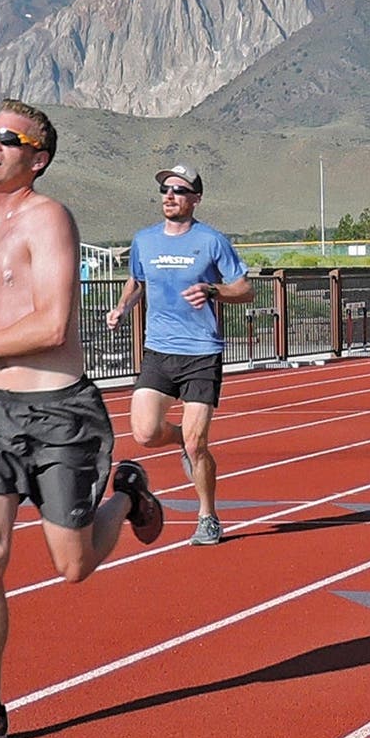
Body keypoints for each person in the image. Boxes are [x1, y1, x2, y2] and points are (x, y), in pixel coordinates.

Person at [0, 99, 165, 738]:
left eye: (9, 137)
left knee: (74, 565)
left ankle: (129, 496)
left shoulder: (50, 218)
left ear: (39, 156)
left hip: (61, 413)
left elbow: (52, 325)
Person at [108, 163, 252, 546]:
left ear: (196, 199)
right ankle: (182, 443)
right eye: (165, 190)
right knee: (144, 432)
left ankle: (207, 516)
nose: (170, 196)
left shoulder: (211, 241)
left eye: (179, 190)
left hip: (201, 353)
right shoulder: (145, 240)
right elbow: (136, 281)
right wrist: (123, 307)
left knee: (197, 444)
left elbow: (244, 289)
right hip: (159, 350)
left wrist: (213, 291)